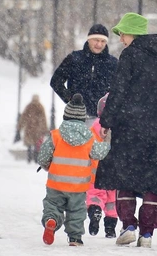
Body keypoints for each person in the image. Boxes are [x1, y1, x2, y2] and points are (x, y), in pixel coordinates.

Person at [94, 12, 157, 248]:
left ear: (133, 33)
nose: (120, 39)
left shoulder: (130, 55)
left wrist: (106, 121)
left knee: (125, 175)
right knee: (153, 179)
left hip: (131, 126)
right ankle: (146, 233)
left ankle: (128, 225)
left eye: (123, 34)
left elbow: (118, 91)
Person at [38, 93, 111, 247]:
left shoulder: (56, 136)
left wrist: (46, 165)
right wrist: (108, 142)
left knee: (53, 205)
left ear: (65, 116)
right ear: (83, 119)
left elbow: (43, 156)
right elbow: (99, 153)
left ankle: (51, 220)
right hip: (78, 186)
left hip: (56, 183)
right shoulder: (89, 138)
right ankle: (75, 237)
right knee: (76, 212)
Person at [50, 24, 118, 126]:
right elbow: (56, 81)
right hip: (75, 119)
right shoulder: (74, 58)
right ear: (89, 40)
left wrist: (110, 107)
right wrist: (69, 98)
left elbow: (120, 89)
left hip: (101, 121)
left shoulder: (113, 63)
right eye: (96, 40)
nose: (99, 44)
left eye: (103, 41)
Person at [86, 93, 118, 238]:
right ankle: (110, 228)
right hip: (114, 172)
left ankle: (95, 211)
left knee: (95, 195)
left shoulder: (92, 131)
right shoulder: (119, 129)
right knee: (112, 200)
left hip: (95, 173)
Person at [16, 94, 49, 164]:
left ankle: (29, 158)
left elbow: (23, 117)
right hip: (37, 130)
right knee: (37, 145)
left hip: (29, 129)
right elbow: (43, 119)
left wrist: (20, 126)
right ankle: (35, 158)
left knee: (29, 145)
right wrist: (44, 128)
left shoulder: (29, 106)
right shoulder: (40, 107)